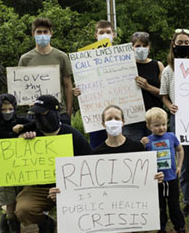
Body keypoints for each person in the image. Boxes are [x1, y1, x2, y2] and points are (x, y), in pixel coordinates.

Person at [48, 105, 164, 233]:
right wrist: (62, 194)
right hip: (103, 212)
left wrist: (156, 178)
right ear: (103, 124)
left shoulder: (138, 149)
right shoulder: (95, 155)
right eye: (109, 119)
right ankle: (113, 231)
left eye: (117, 118)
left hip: (130, 207)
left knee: (144, 217)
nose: (113, 122)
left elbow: (146, 181)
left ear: (123, 122)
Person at [13, 95, 92, 233]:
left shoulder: (72, 135)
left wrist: (72, 189)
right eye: (35, 114)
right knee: (23, 210)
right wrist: (22, 142)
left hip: (70, 188)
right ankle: (46, 224)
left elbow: (89, 162)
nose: (37, 118)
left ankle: (79, 228)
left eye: (42, 114)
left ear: (55, 113)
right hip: (39, 188)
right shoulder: (31, 136)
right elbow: (16, 162)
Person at [160, 29, 189, 217]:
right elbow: (163, 95)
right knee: (184, 164)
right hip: (178, 120)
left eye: (186, 43)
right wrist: (169, 106)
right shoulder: (168, 70)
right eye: (179, 43)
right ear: (173, 44)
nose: (183, 46)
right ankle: (188, 202)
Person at [0, 93, 31, 233]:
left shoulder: (25, 122)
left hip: (25, 166)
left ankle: (4, 227)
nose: (7, 112)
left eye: (10, 109)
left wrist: (28, 132)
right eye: (4, 109)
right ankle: (14, 232)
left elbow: (38, 128)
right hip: (5, 168)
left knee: (22, 197)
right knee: (8, 199)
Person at [144, 107, 189, 233]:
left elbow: (180, 150)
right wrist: (141, 144)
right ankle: (161, 230)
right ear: (149, 126)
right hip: (157, 180)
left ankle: (180, 230)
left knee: (174, 205)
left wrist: (180, 166)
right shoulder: (148, 141)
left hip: (171, 178)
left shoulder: (171, 137)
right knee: (160, 206)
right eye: (157, 125)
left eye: (163, 124)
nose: (161, 128)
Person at [19, 17, 75, 125]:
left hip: (59, 112)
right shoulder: (25, 59)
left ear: (51, 33)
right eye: (39, 32)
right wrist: (27, 102)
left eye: (45, 32)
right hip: (34, 113)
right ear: (33, 34)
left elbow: (68, 85)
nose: (42, 35)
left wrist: (68, 112)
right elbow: (21, 87)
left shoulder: (61, 56)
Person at [76, 20, 121, 149]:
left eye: (108, 32)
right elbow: (82, 82)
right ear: (96, 35)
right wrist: (77, 90)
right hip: (95, 113)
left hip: (120, 110)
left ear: (114, 34)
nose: (105, 35)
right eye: (101, 32)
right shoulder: (85, 58)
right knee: (97, 148)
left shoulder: (123, 56)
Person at [123, 31, 164, 142]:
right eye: (137, 46)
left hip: (155, 119)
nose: (141, 48)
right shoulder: (125, 67)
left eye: (144, 46)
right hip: (132, 120)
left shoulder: (158, 65)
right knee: (135, 153)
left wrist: (147, 87)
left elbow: (165, 94)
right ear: (132, 47)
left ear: (149, 47)